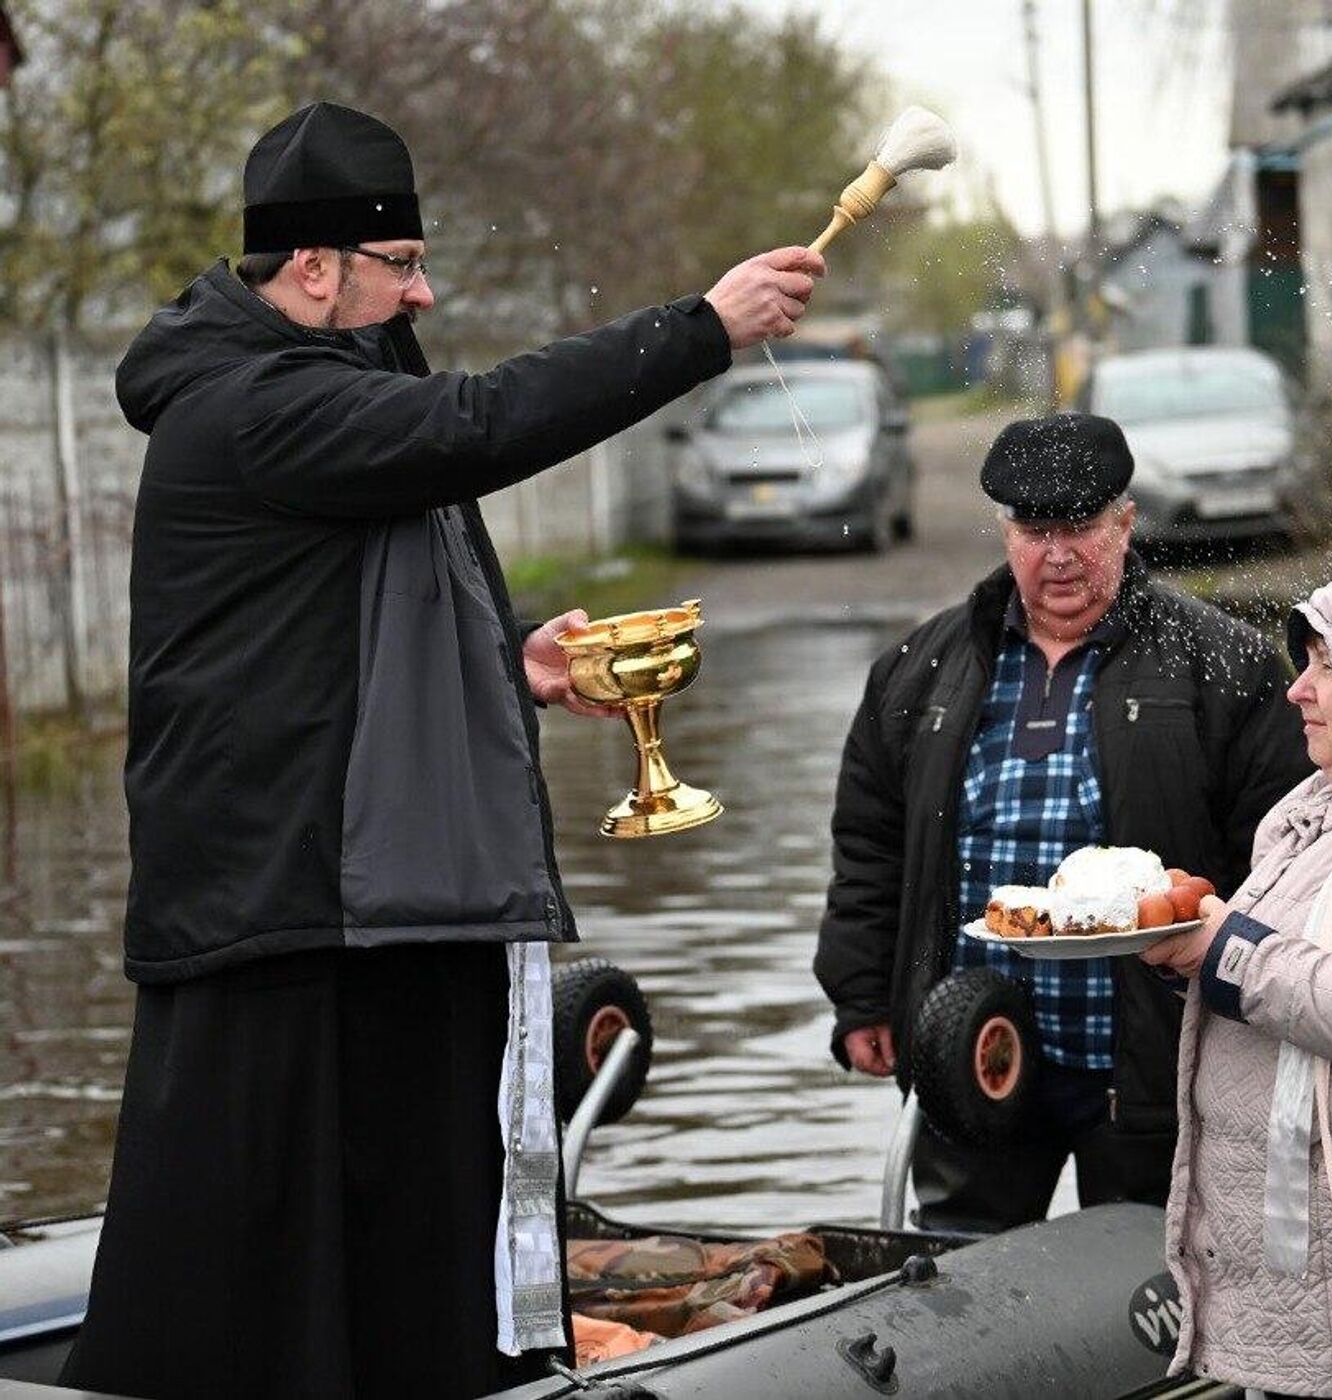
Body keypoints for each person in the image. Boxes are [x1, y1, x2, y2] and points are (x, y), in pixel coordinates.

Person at [60, 101, 825, 1400]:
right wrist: (700, 330)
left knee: (409, 1275)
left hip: (365, 915)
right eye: (401, 264)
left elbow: (331, 619)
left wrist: (511, 660)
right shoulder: (253, 406)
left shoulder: (317, 398)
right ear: (316, 273)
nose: (426, 288)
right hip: (289, 919)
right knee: (269, 1301)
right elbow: (477, 425)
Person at [813, 412, 1311, 1231]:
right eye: (1035, 531)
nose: (1059, 556)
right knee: (966, 1280)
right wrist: (861, 998)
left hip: (1155, 1056)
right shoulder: (918, 669)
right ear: (1006, 532)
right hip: (974, 1046)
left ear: (1125, 521)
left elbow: (1287, 854)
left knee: (1152, 1285)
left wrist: (1262, 1005)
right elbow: (869, 846)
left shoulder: (1227, 665)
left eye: (1081, 527)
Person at [1142, 565, 1332, 1400]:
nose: (1299, 691)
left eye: (1326, 666)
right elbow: (1279, 992)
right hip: (1292, 1265)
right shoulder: (1302, 816)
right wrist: (1191, 953)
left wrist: (1232, 954)